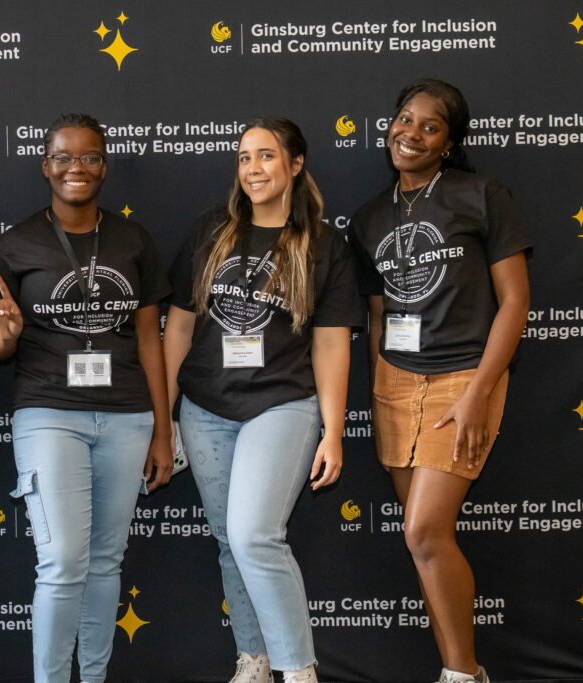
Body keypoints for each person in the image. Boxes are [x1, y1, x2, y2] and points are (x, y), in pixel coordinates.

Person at [163, 117, 360, 683]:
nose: (254, 169)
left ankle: (299, 671)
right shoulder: (210, 231)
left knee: (254, 535)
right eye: (245, 158)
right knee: (230, 540)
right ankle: (254, 661)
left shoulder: (323, 245)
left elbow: (329, 344)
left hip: (281, 404)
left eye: (267, 156)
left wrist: (334, 430)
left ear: (295, 165)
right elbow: (177, 330)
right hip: (204, 408)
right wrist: (166, 418)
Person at [0, 113, 173, 683]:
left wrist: (164, 429)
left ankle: (93, 677)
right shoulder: (16, 245)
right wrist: (4, 335)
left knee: (105, 562)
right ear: (46, 166)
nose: (76, 168)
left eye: (89, 157)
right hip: (47, 412)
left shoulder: (132, 240)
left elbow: (149, 340)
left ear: (104, 167)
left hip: (128, 415)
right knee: (63, 562)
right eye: (64, 157)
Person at [348, 79, 531, 683]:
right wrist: (379, 392)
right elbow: (377, 318)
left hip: (465, 378)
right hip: (396, 383)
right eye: (405, 119)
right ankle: (458, 671)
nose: (412, 133)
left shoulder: (481, 195)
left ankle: (463, 673)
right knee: (423, 541)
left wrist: (480, 391)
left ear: (449, 143)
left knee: (424, 530)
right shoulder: (372, 216)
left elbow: (515, 302)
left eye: (430, 126)